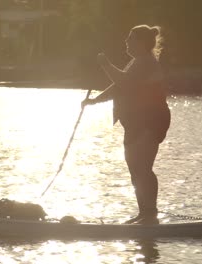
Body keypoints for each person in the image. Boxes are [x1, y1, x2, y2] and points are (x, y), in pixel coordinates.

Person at [82, 25, 171, 224]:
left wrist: (105, 64)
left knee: (143, 167)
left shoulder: (147, 62)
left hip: (150, 119)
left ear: (141, 43)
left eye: (130, 38)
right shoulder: (137, 62)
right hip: (134, 122)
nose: (126, 42)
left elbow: (124, 82)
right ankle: (144, 214)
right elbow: (118, 87)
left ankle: (150, 214)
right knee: (134, 168)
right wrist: (95, 100)